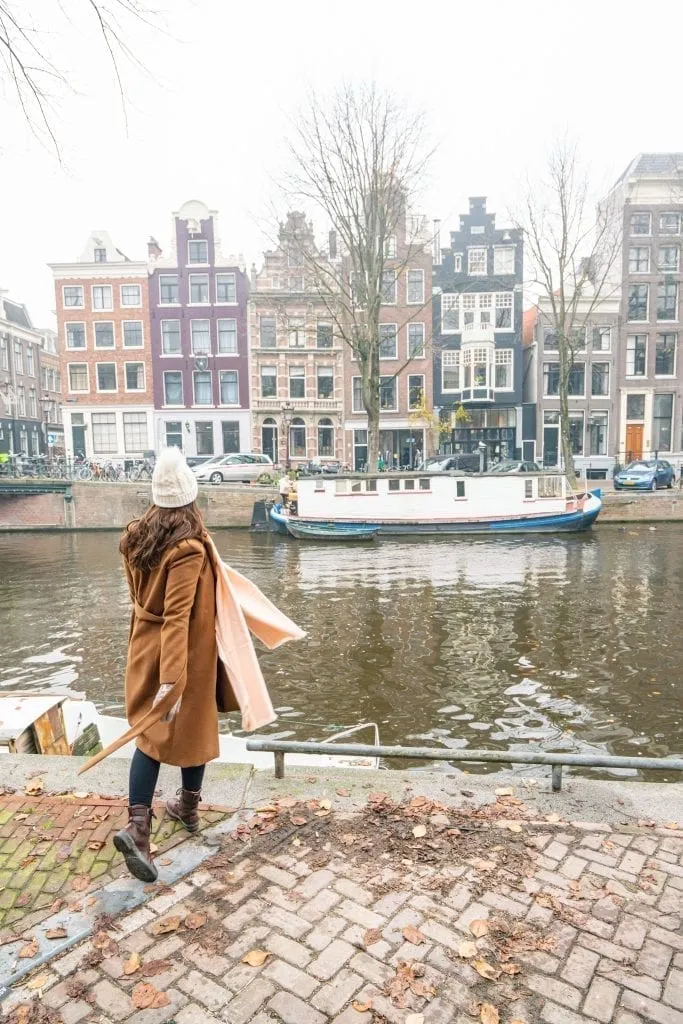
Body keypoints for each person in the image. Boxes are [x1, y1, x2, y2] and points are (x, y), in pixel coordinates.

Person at [113, 447, 219, 882]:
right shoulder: (189, 548)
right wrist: (172, 682)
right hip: (182, 653)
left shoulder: (135, 534)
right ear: (191, 495)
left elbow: (142, 602)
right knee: (191, 728)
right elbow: (178, 617)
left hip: (143, 643)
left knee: (148, 735)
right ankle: (179, 814)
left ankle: (146, 823)